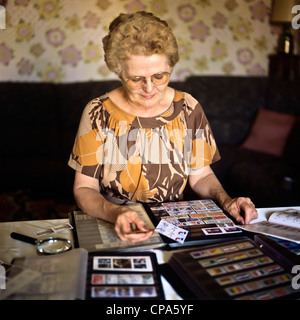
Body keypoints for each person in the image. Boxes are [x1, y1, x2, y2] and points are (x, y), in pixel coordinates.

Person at [68, 11, 257, 242]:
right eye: (136, 79)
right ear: (119, 72)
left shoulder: (188, 107)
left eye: (159, 76)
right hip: (110, 219)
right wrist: (115, 211)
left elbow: (200, 176)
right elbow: (84, 189)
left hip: (172, 223)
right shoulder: (97, 112)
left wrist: (227, 201)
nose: (149, 88)